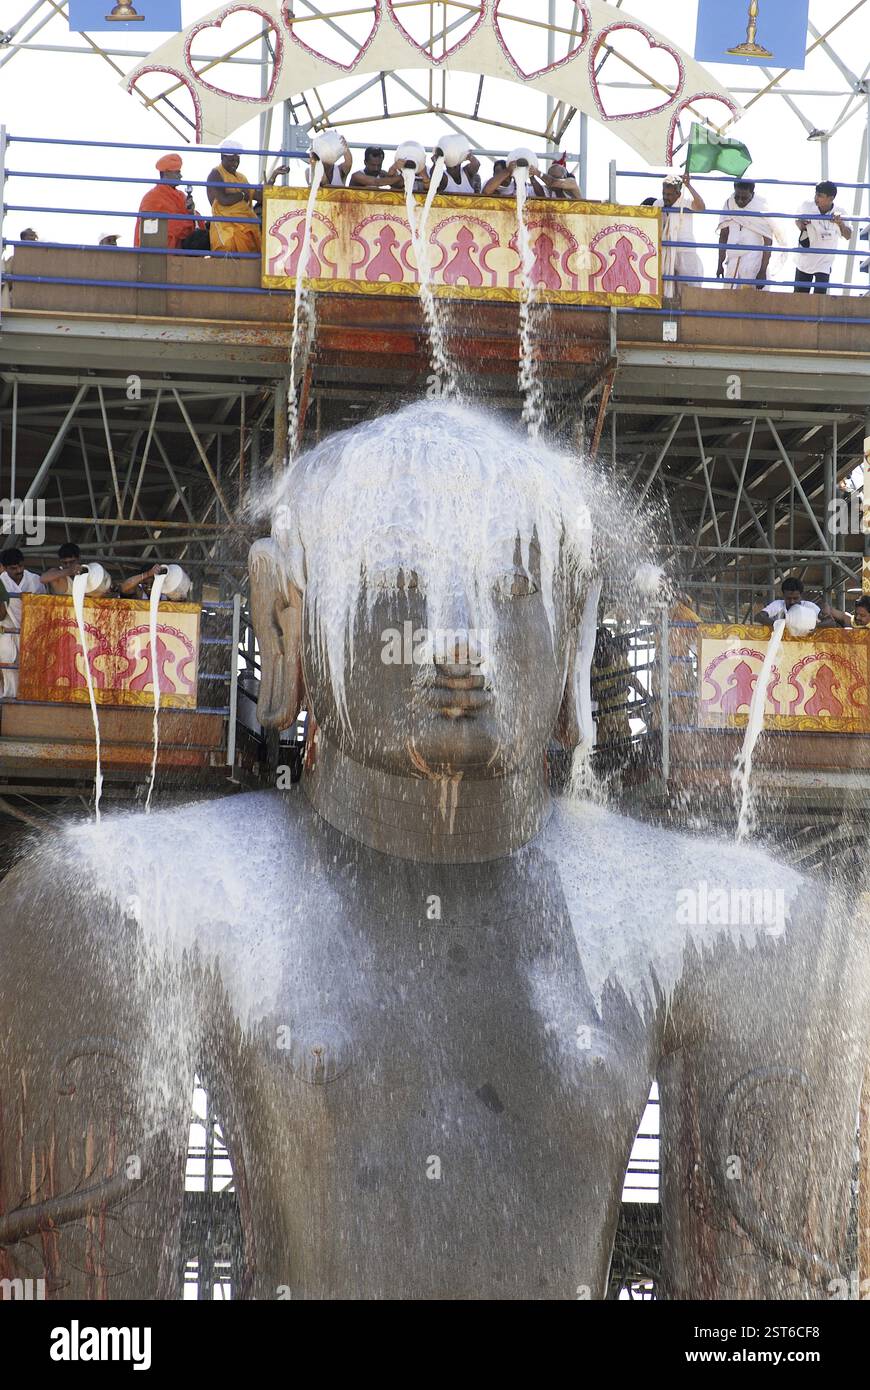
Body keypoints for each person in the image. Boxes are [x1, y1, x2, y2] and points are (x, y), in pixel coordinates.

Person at [135, 154, 207, 252]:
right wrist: (188, 222)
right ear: (166, 174)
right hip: (162, 251)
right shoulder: (151, 198)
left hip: (181, 246)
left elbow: (195, 222)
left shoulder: (181, 195)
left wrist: (192, 213)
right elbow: (160, 228)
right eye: (177, 172)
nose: (180, 176)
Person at [0, 547, 46, 699]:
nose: (18, 570)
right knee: (8, 664)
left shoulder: (35, 580)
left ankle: (30, 699)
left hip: (32, 630)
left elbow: (44, 607)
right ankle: (9, 698)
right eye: (13, 568)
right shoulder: (1, 582)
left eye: (20, 566)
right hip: (8, 631)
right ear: (5, 568)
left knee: (33, 665)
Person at [716, 179, 775, 290]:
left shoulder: (761, 208)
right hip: (732, 259)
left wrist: (762, 271)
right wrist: (719, 263)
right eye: (737, 197)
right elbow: (724, 235)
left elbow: (768, 242)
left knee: (752, 300)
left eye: (744, 198)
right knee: (729, 299)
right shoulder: (729, 204)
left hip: (753, 260)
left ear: (752, 194)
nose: (740, 201)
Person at [794, 181, 851, 295]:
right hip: (805, 260)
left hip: (824, 263)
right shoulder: (807, 206)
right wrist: (802, 224)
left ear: (831, 198)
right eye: (816, 194)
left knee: (820, 301)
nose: (816, 198)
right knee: (799, 301)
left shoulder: (840, 212)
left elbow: (848, 235)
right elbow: (797, 221)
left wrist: (840, 223)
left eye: (820, 195)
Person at [207, 141, 262, 254]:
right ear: (223, 157)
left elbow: (257, 195)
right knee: (229, 256)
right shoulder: (216, 173)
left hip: (246, 226)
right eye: (232, 160)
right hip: (225, 227)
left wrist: (273, 178)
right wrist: (241, 195)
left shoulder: (242, 177)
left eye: (237, 160)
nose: (235, 163)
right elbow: (224, 200)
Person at [654, 173, 706, 291]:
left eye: (669, 194)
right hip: (666, 251)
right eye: (664, 193)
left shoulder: (685, 203)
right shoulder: (658, 204)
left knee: (689, 288)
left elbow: (701, 207)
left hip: (685, 251)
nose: (666, 197)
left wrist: (689, 186)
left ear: (678, 194)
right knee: (666, 288)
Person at [755, 577, 820, 628]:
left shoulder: (810, 607)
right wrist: (779, 625)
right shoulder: (778, 604)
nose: (792, 602)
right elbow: (759, 616)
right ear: (783, 595)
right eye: (788, 598)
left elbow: (829, 621)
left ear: (801, 595)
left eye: (795, 598)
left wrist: (813, 625)